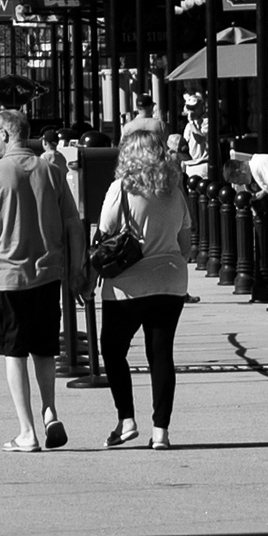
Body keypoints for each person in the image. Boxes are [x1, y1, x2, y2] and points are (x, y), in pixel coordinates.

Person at [0, 104, 85, 453]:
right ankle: (50, 411)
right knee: (44, 349)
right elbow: (74, 226)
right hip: (47, 276)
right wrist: (77, 271)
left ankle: (27, 431)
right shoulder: (51, 171)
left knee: (14, 353)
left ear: (4, 134)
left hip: (6, 277)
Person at [94, 115, 197, 448]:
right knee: (161, 354)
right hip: (170, 280)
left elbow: (104, 233)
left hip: (128, 283)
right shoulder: (174, 190)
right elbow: (186, 244)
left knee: (113, 349)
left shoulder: (121, 189)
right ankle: (161, 431)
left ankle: (126, 419)